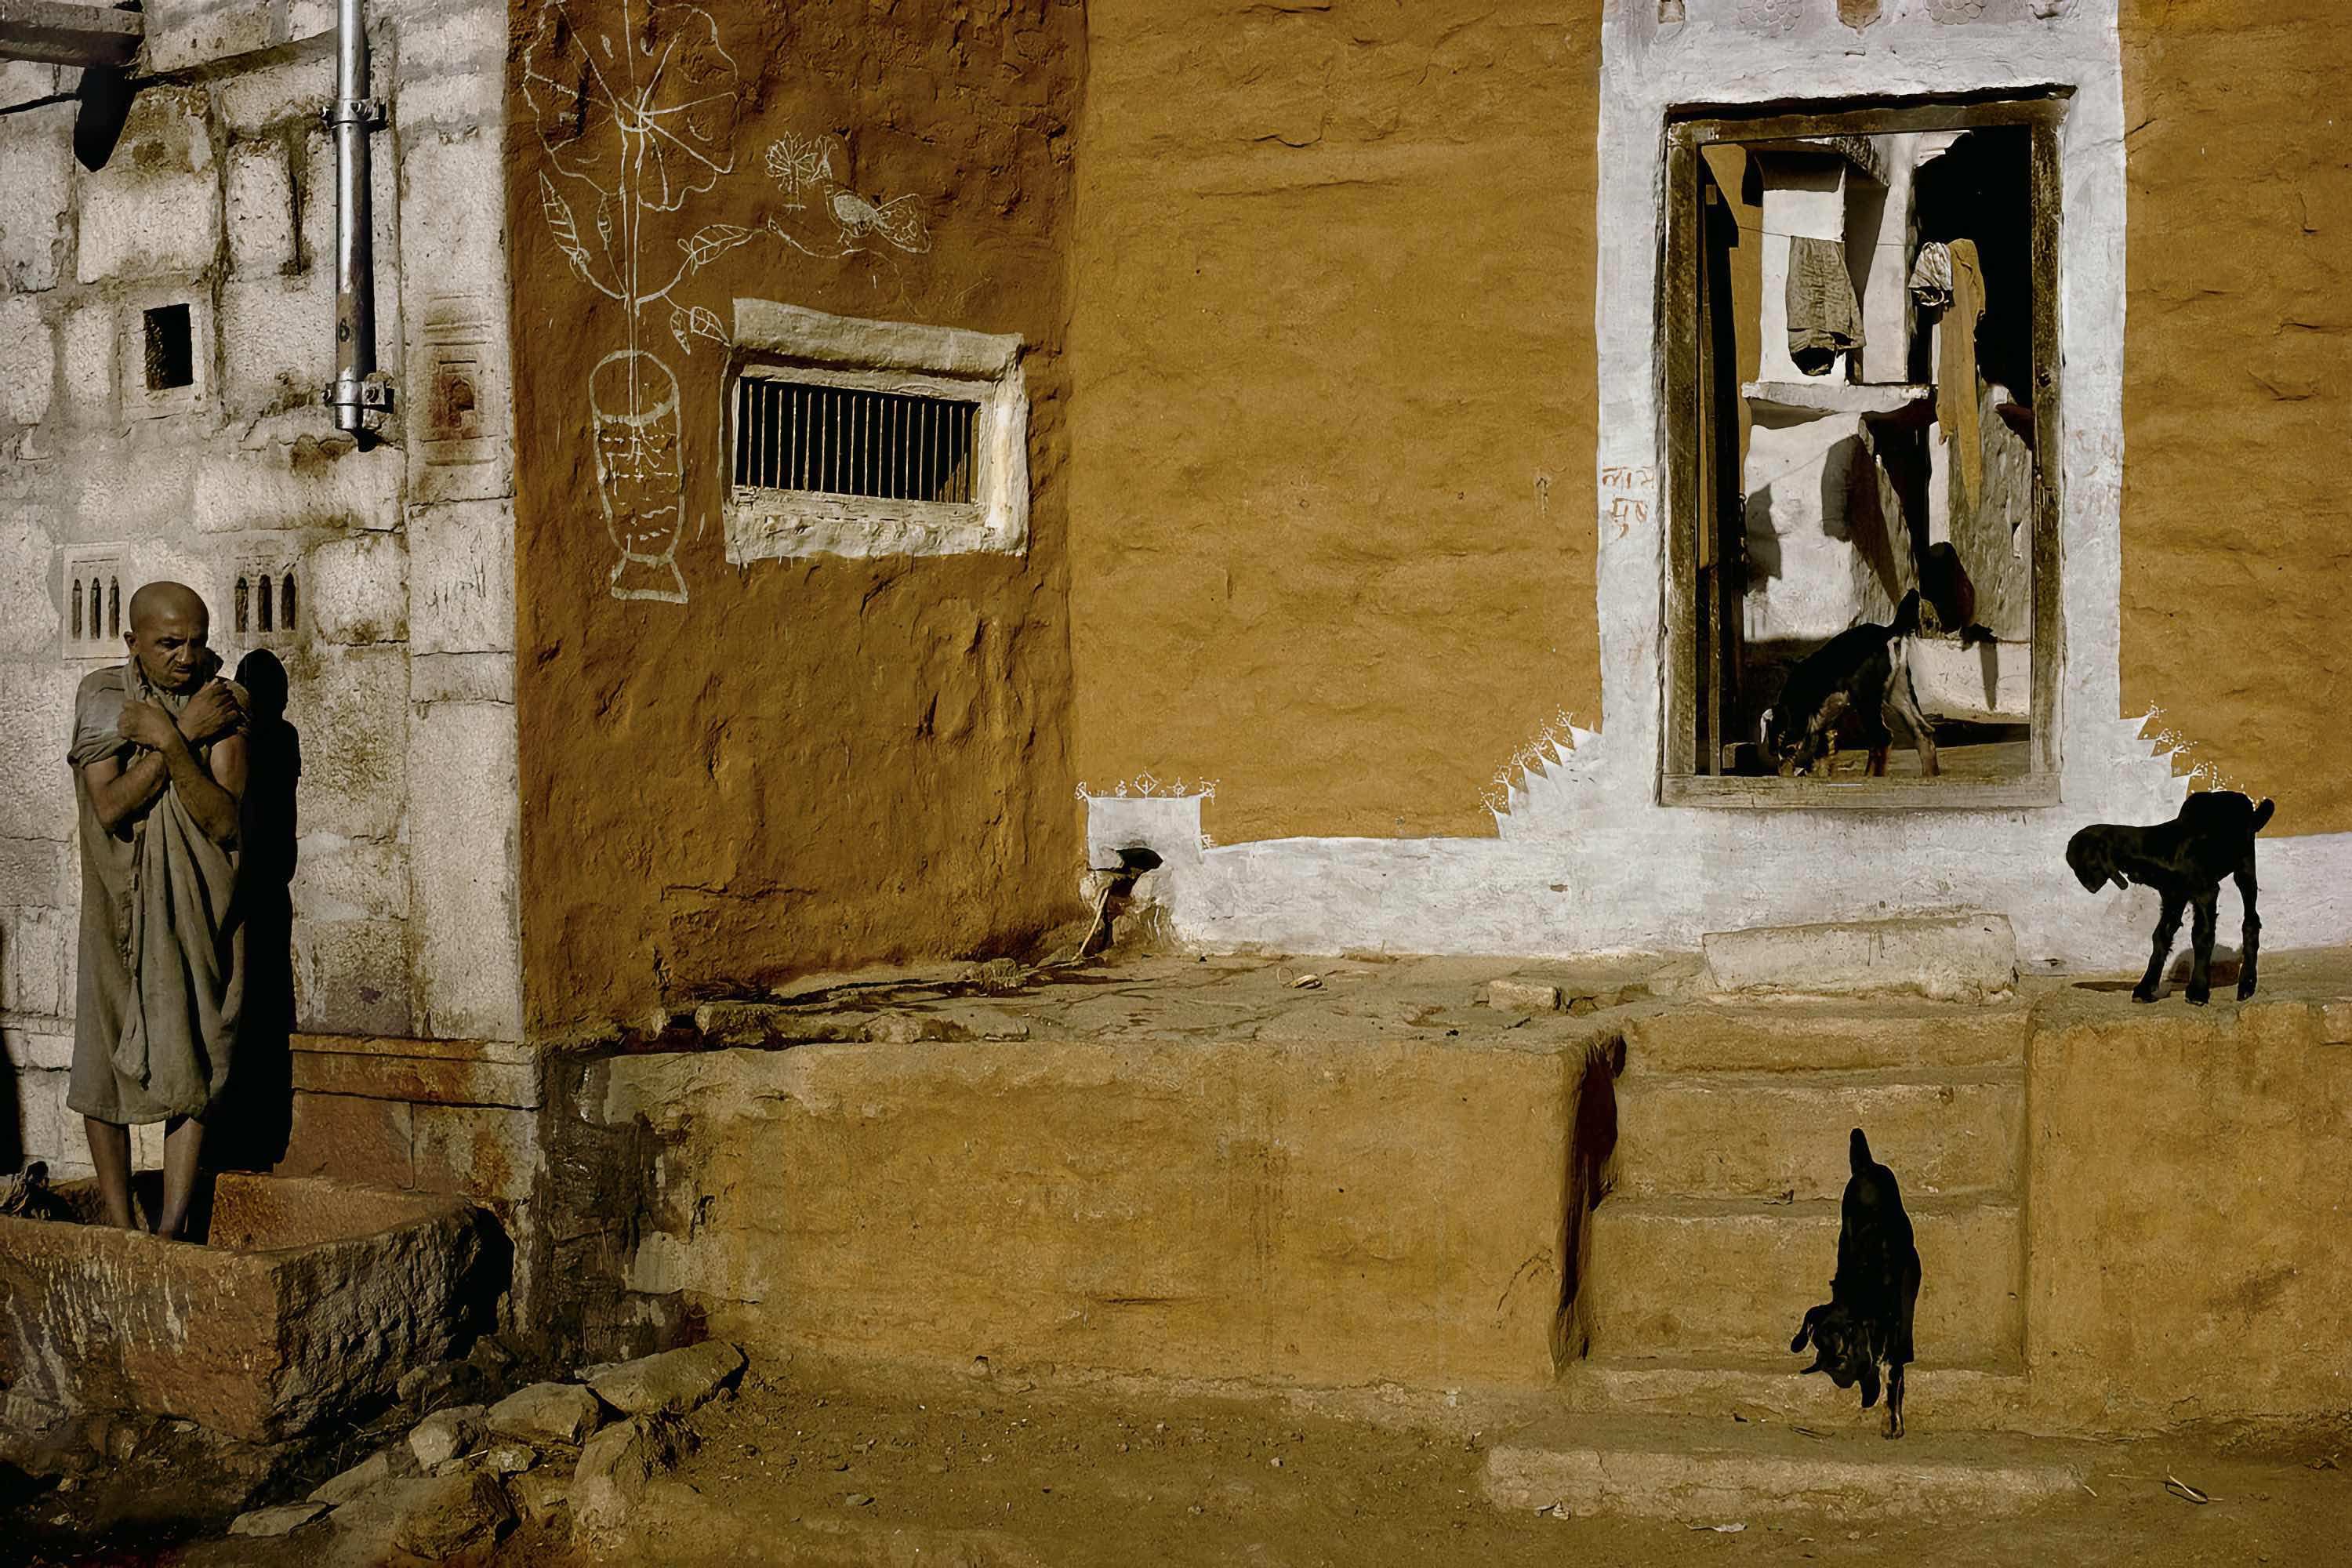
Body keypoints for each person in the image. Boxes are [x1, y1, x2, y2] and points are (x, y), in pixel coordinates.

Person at [67, 581, 248, 1240]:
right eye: (170, 643)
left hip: (194, 908)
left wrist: (173, 740)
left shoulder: (223, 703)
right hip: (116, 903)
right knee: (102, 1056)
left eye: (197, 642)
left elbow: (224, 821)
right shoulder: (103, 698)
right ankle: (123, 1228)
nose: (186, 657)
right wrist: (183, 733)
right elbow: (110, 806)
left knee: (193, 1048)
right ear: (133, 642)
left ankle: (172, 1226)